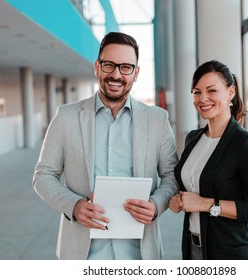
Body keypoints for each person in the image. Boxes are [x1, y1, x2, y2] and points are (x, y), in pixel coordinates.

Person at [33, 32, 179, 260]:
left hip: (140, 254)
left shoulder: (157, 120)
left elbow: (171, 175)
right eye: (109, 65)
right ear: (97, 67)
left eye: (126, 67)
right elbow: (43, 176)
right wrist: (74, 205)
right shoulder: (66, 116)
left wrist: (156, 205)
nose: (116, 75)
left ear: (136, 72)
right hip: (82, 253)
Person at [169, 60, 248, 260]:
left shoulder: (245, 144)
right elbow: (192, 185)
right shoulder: (193, 138)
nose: (203, 98)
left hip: (233, 253)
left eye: (211, 91)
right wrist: (177, 200)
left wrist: (205, 204)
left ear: (230, 92)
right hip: (194, 250)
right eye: (197, 92)